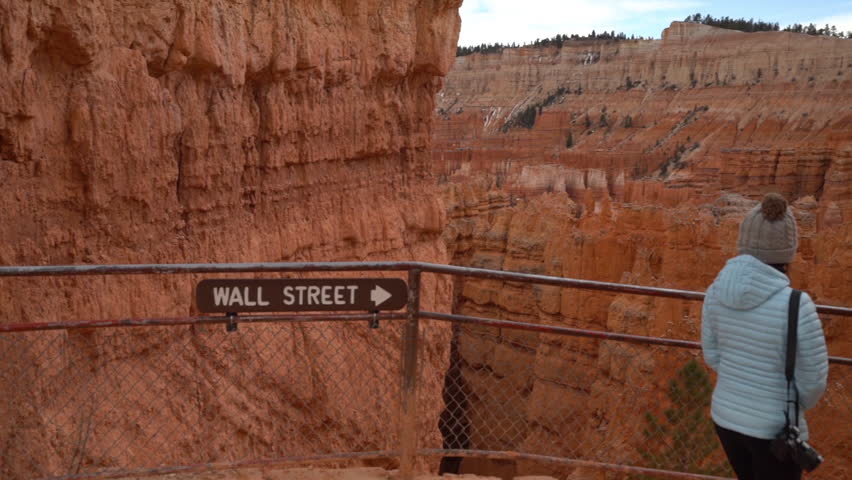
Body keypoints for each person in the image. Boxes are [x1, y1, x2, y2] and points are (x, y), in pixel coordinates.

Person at [701, 193, 828, 480]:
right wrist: (784, 403)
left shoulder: (715, 292)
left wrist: (740, 380)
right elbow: (813, 382)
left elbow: (712, 354)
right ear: (787, 252)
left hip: (725, 419)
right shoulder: (797, 304)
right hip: (773, 432)